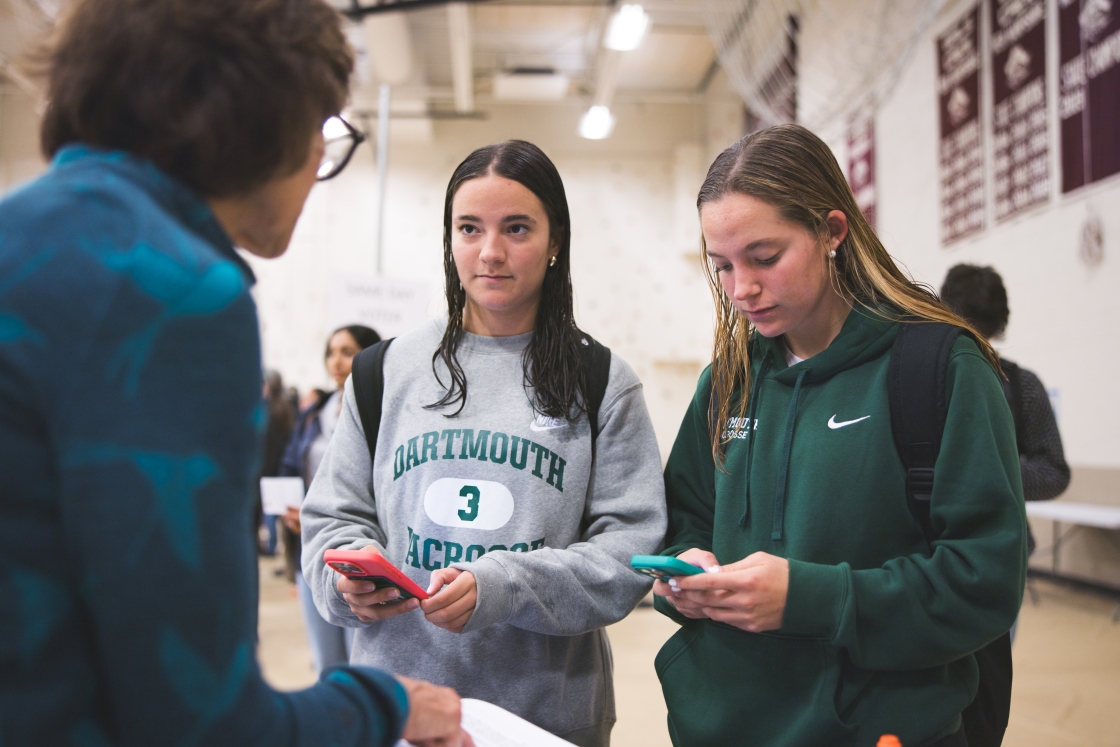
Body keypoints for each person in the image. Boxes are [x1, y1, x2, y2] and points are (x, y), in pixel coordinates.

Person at [0, 1, 468, 745]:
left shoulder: (22, 232)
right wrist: (385, 703)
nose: (320, 162)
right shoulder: (173, 290)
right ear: (267, 113)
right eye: (324, 131)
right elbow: (200, 723)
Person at [652, 125, 1026, 747]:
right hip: (724, 725)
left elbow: (982, 579)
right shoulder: (727, 380)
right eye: (721, 265)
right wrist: (684, 573)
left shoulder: (940, 370)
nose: (741, 288)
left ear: (832, 231)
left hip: (879, 728)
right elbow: (685, 516)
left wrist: (810, 598)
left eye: (765, 258)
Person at [301, 140, 667, 747]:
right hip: (401, 709)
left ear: (555, 243)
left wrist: (505, 585)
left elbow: (630, 553)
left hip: (544, 718)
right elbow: (332, 518)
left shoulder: (601, 380)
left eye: (517, 228)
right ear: (449, 240)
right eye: (469, 228)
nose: (490, 252)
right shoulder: (382, 371)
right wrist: (344, 582)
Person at [279, 324, 381, 672]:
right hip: (314, 542)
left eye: (347, 351)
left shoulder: (379, 409)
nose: (336, 361)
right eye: (331, 352)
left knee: (361, 660)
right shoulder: (314, 412)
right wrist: (292, 508)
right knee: (326, 660)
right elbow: (293, 463)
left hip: (361, 547)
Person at [940, 264, 1070, 512]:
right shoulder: (921, 378)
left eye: (982, 333)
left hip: (1005, 539)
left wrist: (987, 469)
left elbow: (1054, 472)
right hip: (934, 539)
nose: (973, 343)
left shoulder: (1023, 386)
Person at [258, 370, 296, 556]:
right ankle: (276, 545)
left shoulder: (269, 409)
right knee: (279, 510)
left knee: (270, 509)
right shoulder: (286, 407)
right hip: (281, 464)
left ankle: (271, 545)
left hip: (269, 464)